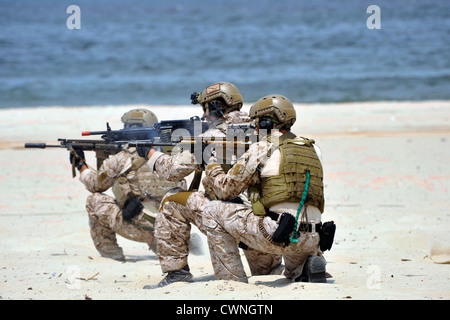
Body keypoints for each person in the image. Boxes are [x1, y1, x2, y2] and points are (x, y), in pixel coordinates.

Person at [140, 82, 266, 288]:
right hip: (262, 222)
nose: (204, 116)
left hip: (225, 218)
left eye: (205, 109)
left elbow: (172, 171)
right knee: (267, 274)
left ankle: (177, 272)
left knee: (172, 200)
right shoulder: (260, 131)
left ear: (214, 107)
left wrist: (151, 155)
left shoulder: (209, 137)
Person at [202, 94, 335, 283]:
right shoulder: (313, 148)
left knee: (211, 210)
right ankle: (303, 268)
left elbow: (226, 190)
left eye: (257, 124)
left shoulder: (261, 148)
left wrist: (211, 164)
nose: (254, 129)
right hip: (314, 237)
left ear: (266, 123)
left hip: (280, 234)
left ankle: (231, 279)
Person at [71, 109, 187, 261]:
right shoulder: (171, 154)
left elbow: (95, 185)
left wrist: (81, 165)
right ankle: (182, 245)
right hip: (173, 226)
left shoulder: (123, 157)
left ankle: (111, 255)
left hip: (142, 227)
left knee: (94, 200)